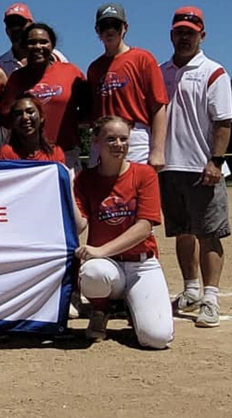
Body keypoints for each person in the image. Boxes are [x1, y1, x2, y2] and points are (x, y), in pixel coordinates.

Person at [159, 6, 232, 328]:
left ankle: (211, 297)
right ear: (171, 34)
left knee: (209, 234)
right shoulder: (160, 72)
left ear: (202, 35)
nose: (184, 36)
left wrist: (215, 161)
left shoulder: (214, 72)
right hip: (168, 166)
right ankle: (190, 290)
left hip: (202, 167)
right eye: (179, 31)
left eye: (191, 31)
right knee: (182, 233)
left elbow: (223, 121)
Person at [72, 115, 173, 350]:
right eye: (110, 139)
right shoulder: (85, 179)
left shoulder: (144, 174)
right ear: (96, 141)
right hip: (107, 266)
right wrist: (68, 189)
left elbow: (145, 226)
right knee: (93, 272)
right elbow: (80, 225)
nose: (118, 144)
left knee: (156, 339)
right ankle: (101, 309)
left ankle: (132, 304)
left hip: (141, 264)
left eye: (123, 139)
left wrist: (100, 250)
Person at [87, 3, 169, 168]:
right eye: (104, 26)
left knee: (135, 190)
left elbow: (158, 106)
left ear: (125, 27)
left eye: (115, 25)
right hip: (103, 137)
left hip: (134, 137)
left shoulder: (142, 59)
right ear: (97, 30)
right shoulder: (94, 68)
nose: (110, 30)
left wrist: (158, 150)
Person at [0, 23, 87, 167]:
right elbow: (6, 118)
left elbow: (88, 109)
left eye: (43, 42)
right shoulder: (15, 79)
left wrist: (69, 123)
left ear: (52, 45)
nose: (38, 47)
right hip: (26, 157)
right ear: (24, 47)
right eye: (32, 42)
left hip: (67, 153)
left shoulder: (71, 72)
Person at [0, 3, 69, 77]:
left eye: (20, 22)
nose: (16, 28)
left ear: (31, 26)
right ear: (6, 31)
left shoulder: (55, 57)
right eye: (11, 24)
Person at [0, 94, 66, 164]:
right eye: (18, 114)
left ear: (41, 117)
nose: (25, 117)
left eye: (30, 112)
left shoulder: (55, 153)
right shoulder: (6, 154)